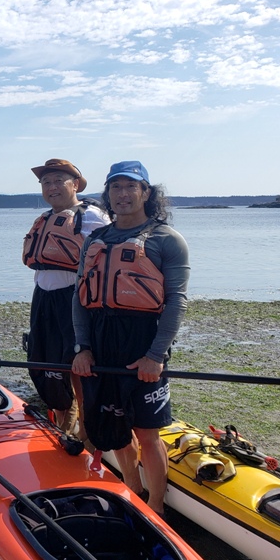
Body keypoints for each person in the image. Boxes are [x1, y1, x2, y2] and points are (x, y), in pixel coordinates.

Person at [72, 160, 190, 517]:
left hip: (144, 340)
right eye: (115, 187)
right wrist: (83, 347)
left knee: (148, 431)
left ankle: (156, 507)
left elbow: (175, 303)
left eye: (130, 187)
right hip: (102, 338)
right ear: (107, 194)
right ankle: (132, 491)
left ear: (146, 193)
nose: (122, 194)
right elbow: (79, 298)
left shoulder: (167, 240)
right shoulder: (96, 239)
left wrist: (156, 355)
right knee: (116, 424)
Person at [22, 159, 109, 437]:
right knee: (45, 360)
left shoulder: (92, 216)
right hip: (43, 298)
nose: (52, 187)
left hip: (74, 298)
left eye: (59, 180)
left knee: (77, 365)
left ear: (75, 185)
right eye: (46, 182)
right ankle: (63, 416)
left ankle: (87, 430)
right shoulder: (45, 219)